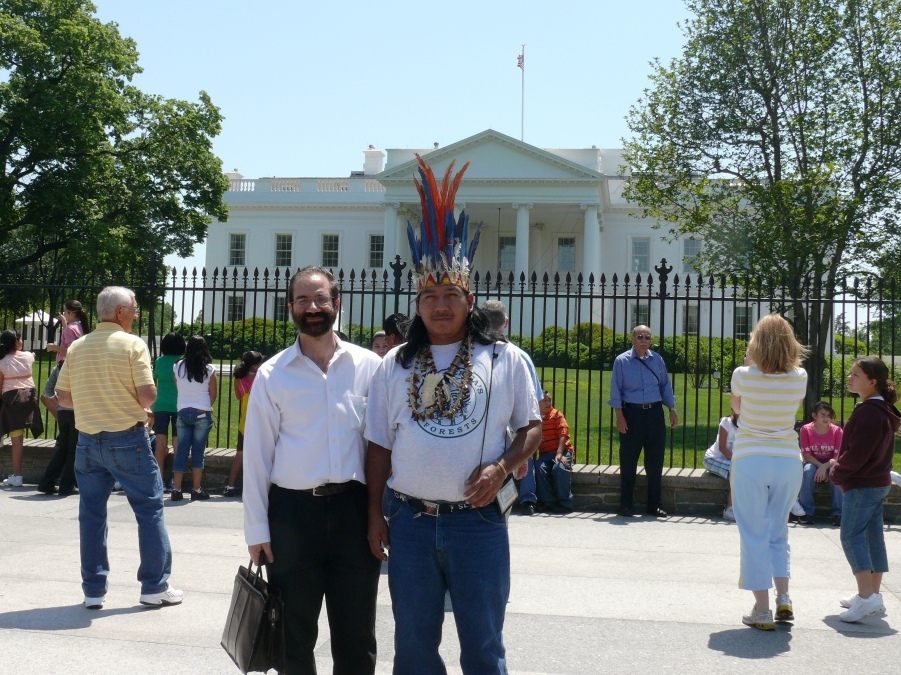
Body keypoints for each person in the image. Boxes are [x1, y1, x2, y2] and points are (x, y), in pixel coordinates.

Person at [365, 154, 542, 675]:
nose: (440, 305)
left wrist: (501, 468)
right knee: (414, 649)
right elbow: (378, 445)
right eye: (429, 296)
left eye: (450, 295)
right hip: (411, 525)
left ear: (469, 300)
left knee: (484, 648)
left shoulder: (503, 358)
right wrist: (376, 514)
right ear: (417, 305)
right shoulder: (395, 366)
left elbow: (531, 427)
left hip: (479, 524)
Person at [243, 266, 382, 674]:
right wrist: (257, 531)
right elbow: (257, 457)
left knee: (357, 634)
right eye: (302, 300)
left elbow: (382, 445)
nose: (312, 307)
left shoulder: (369, 367)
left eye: (321, 298)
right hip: (292, 516)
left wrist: (381, 513)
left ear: (336, 304)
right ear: (290, 309)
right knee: (292, 635)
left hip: (353, 513)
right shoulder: (272, 374)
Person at [55, 286, 182, 609]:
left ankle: (93, 590)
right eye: (135, 308)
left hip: (87, 441)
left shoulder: (78, 347)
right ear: (121, 312)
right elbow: (147, 397)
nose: (137, 313)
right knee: (149, 510)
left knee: (91, 515)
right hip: (128, 438)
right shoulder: (133, 344)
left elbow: (64, 398)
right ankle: (154, 586)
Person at [729, 314, 807, 631]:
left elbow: (737, 409)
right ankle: (783, 597)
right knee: (778, 530)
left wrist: (750, 363)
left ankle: (762, 610)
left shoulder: (743, 375)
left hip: (750, 457)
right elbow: (794, 406)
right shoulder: (799, 376)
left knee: (753, 534)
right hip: (788, 458)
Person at [830, 357, 901, 623]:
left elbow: (858, 453)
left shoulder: (870, 412)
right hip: (876, 483)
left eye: (855, 375)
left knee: (851, 537)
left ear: (872, 382)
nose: (850, 378)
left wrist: (837, 472)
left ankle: (868, 598)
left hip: (863, 484)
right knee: (872, 539)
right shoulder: (878, 409)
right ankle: (871, 595)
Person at [480, 299, 544, 516]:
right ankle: (526, 502)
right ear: (505, 323)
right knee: (498, 514)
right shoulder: (519, 357)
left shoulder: (466, 355)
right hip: (508, 446)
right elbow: (534, 409)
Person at [609, 325, 678, 518]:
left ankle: (654, 505)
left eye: (647, 337)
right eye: (640, 336)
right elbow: (616, 391)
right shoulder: (621, 361)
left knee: (655, 462)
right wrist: (620, 417)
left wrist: (671, 409)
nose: (643, 340)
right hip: (631, 414)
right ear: (632, 338)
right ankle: (626, 504)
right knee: (628, 461)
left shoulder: (657, 360)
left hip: (654, 414)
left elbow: (665, 385)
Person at [171, 335, 217, 502]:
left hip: (183, 410)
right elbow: (213, 394)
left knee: (181, 450)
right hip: (202, 412)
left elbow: (178, 387)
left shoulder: (178, 366)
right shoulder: (209, 369)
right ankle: (196, 489)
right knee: (198, 452)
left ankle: (176, 489)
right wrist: (205, 404)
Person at [0, 330, 43, 487]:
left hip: (12, 401)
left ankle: (17, 475)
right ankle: (16, 475)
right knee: (20, 436)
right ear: (16, 342)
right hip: (29, 398)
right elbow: (32, 356)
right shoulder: (27, 356)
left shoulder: (2, 362)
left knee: (16, 438)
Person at [42, 299, 91, 420]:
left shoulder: (71, 328)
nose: (63, 313)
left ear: (71, 313)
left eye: (65, 311)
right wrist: (64, 323)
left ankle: (64, 414)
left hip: (64, 364)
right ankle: (68, 413)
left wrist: (54, 347)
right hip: (73, 365)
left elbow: (70, 350)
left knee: (50, 392)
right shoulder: (80, 326)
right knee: (60, 393)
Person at [223, 350, 263, 497]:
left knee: (239, 454)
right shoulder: (262, 378)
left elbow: (239, 397)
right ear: (254, 366)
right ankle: (256, 488)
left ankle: (230, 485)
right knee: (260, 456)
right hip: (260, 422)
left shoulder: (239, 379)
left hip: (244, 422)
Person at [797, 401, 843, 526]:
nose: (826, 418)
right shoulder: (806, 430)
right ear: (814, 416)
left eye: (829, 415)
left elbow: (837, 456)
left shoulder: (837, 431)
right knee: (807, 471)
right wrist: (820, 466)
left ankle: (838, 513)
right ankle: (807, 512)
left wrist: (824, 467)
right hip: (812, 462)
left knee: (836, 471)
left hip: (830, 463)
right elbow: (806, 455)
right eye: (823, 414)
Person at [152, 332, 185, 491]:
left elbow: (153, 380)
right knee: (178, 443)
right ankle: (175, 480)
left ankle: (159, 481)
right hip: (179, 405)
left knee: (160, 443)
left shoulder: (159, 361)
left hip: (160, 405)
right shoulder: (182, 362)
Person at [535, 392, 575, 514]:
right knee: (539, 468)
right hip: (545, 454)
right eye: (545, 400)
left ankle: (565, 503)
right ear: (537, 403)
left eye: (550, 400)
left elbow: (563, 435)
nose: (548, 403)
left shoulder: (557, 415)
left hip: (563, 451)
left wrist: (559, 453)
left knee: (559, 468)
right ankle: (548, 502)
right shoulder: (535, 418)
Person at [703, 411, 738, 521]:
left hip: (732, 460)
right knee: (736, 470)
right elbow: (722, 448)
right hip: (713, 458)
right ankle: (729, 509)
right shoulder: (726, 422)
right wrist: (737, 461)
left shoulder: (747, 427)